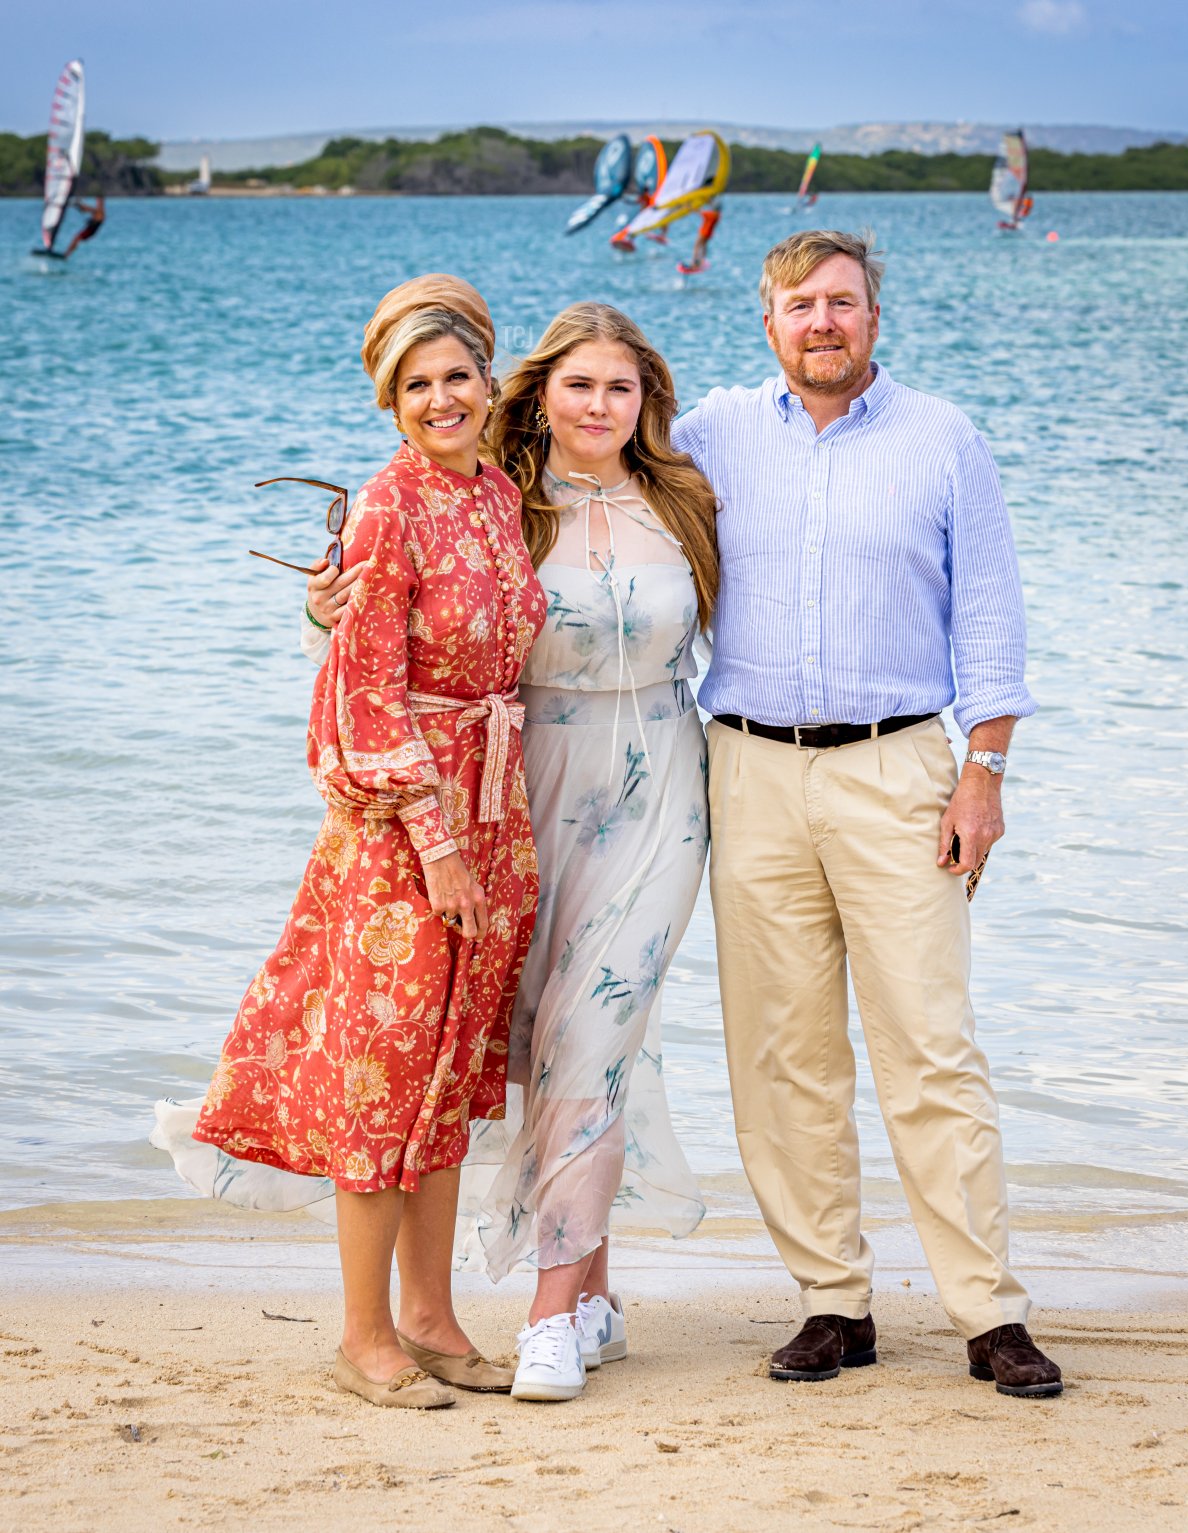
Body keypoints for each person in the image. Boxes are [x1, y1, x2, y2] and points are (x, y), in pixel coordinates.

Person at [671, 228, 1062, 1400]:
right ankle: (832, 1303)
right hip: (744, 771)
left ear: (874, 318)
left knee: (930, 1048)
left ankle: (989, 1315)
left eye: (842, 303)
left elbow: (989, 617)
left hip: (902, 773)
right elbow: (584, 503)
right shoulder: (707, 439)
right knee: (781, 1052)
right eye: (800, 306)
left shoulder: (943, 440)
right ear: (768, 322)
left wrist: (984, 772)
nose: (822, 323)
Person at [307, 304, 718, 1402]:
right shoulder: (500, 490)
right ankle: (578, 1299)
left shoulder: (683, 496)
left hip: (659, 790)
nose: (598, 406)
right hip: (513, 793)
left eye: (620, 388)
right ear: (539, 395)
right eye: (577, 386)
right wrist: (325, 603)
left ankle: (547, 1311)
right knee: (522, 1045)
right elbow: (383, 626)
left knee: (595, 1032)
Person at [156, 274, 547, 1409]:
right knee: (379, 1079)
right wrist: (438, 841)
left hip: (497, 814)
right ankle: (366, 1334)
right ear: (390, 400)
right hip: (401, 837)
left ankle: (433, 1317)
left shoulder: (494, 496)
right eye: (415, 385)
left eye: (457, 377)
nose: (440, 399)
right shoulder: (387, 507)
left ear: (488, 379)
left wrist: (493, 833)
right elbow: (363, 693)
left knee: (447, 1081)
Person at [64, 194, 105, 258]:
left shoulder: (100, 212)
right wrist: (79, 206)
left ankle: (67, 254)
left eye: (99, 201)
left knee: (76, 238)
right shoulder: (98, 211)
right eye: (97, 201)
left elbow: (93, 213)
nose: (97, 203)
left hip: (90, 231)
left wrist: (79, 205)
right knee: (76, 239)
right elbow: (87, 210)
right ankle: (67, 254)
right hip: (89, 230)